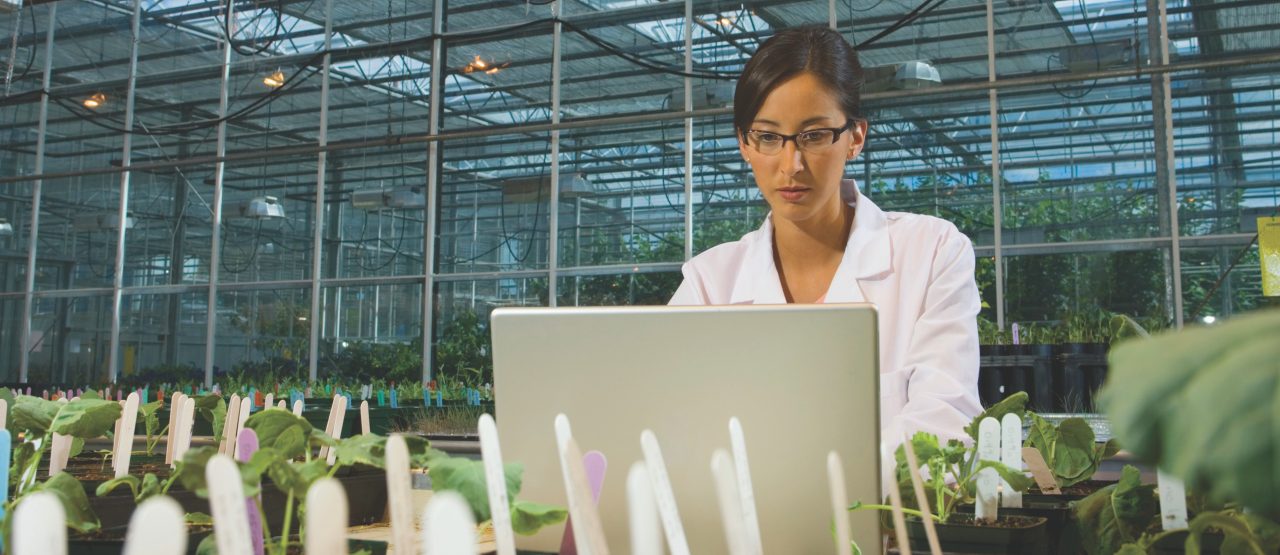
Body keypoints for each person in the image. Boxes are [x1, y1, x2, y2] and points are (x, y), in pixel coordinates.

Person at [668, 26, 982, 445]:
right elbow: (669, 423)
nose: (792, 163)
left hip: (891, 511)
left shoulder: (932, 253)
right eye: (767, 137)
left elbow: (944, 421)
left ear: (855, 137)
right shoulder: (709, 284)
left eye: (814, 135)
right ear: (744, 143)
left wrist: (839, 499)